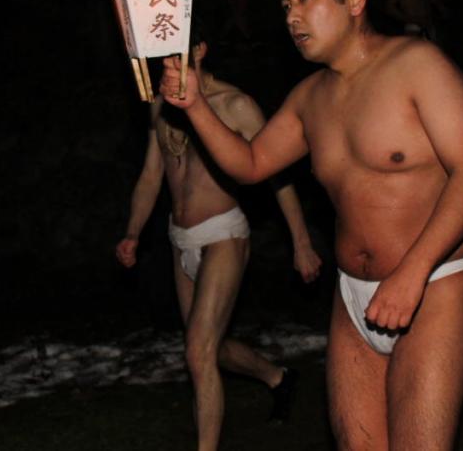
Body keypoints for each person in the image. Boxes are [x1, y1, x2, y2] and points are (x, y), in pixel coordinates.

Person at [160, 0, 463, 450]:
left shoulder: (418, 65)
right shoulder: (310, 97)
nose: (291, 15)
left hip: (431, 285)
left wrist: (412, 272)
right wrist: (196, 106)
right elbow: (250, 166)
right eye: (285, 5)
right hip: (353, 297)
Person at [116, 29, 322, 450]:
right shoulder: (160, 106)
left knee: (197, 352)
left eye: (176, 53)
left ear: (200, 50)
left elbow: (276, 174)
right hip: (180, 240)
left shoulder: (237, 105)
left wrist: (301, 242)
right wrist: (133, 233)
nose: (167, 63)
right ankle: (277, 377)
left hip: (223, 235)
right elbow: (152, 176)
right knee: (211, 347)